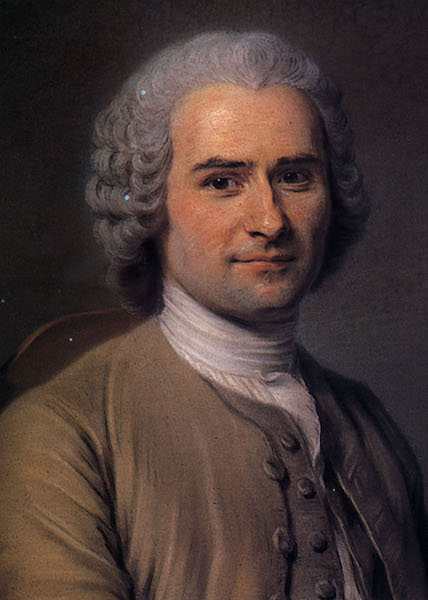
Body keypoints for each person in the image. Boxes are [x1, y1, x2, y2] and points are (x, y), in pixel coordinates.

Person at [0, 31, 426, 600]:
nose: (271, 221)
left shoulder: (373, 427)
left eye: (294, 176)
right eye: (222, 182)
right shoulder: (59, 436)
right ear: (150, 206)